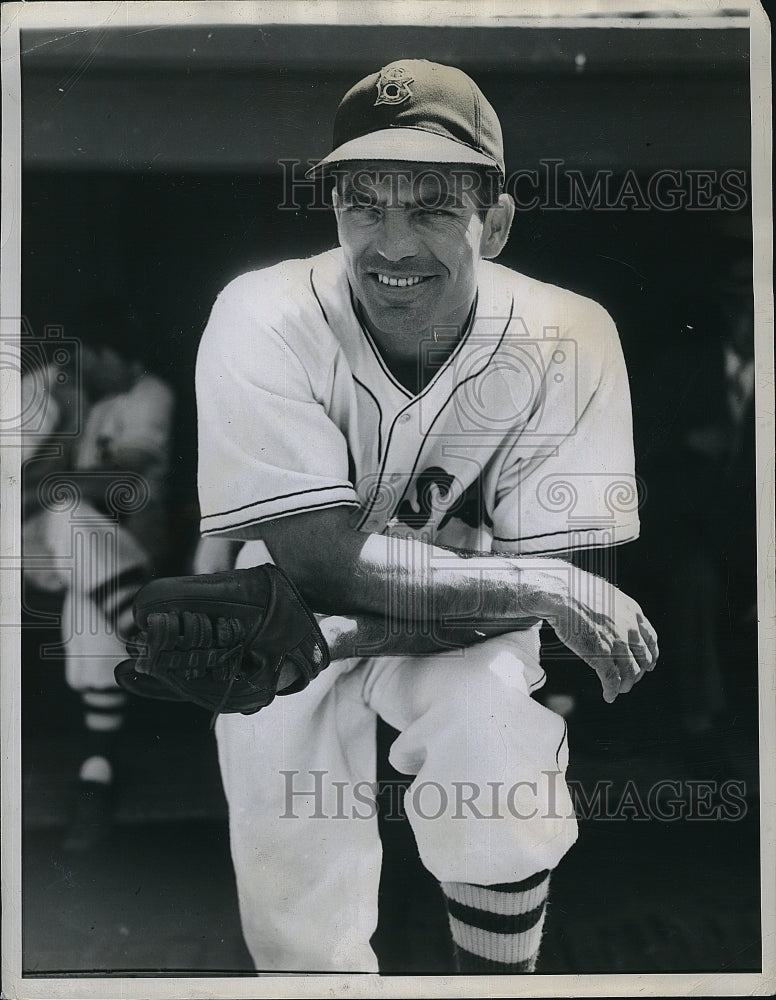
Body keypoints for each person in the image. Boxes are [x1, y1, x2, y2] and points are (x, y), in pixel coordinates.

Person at [195, 60, 658, 973]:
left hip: (422, 616)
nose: (392, 243)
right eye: (364, 203)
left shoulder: (571, 334)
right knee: (297, 908)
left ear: (497, 218)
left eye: (434, 207)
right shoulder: (262, 313)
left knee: (494, 742)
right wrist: (538, 581)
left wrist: (527, 588)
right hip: (283, 616)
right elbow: (326, 558)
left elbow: (544, 596)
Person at [22, 301, 174, 851]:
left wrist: (50, 483)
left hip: (129, 545)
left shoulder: (149, 392)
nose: (82, 362)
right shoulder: (76, 397)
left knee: (83, 561)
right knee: (78, 544)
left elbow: (125, 480)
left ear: (117, 355)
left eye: (91, 354)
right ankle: (147, 642)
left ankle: (95, 776)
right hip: (70, 553)